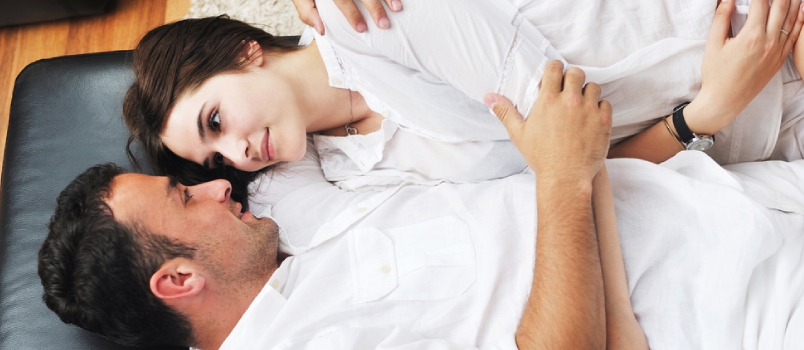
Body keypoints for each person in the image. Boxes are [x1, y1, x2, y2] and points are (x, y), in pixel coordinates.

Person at [42, 65, 628, 349]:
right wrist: (562, 182)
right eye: (185, 196)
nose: (220, 185)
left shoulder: (269, 220)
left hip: (667, 175)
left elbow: (289, 86)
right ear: (178, 278)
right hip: (698, 292)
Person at [123, 0, 804, 197]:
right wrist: (704, 117)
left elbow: (577, 132)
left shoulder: (366, 21)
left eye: (214, 120)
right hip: (745, 131)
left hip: (738, 26)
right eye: (215, 159)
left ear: (245, 50)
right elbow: (579, 177)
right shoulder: (355, 174)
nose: (234, 152)